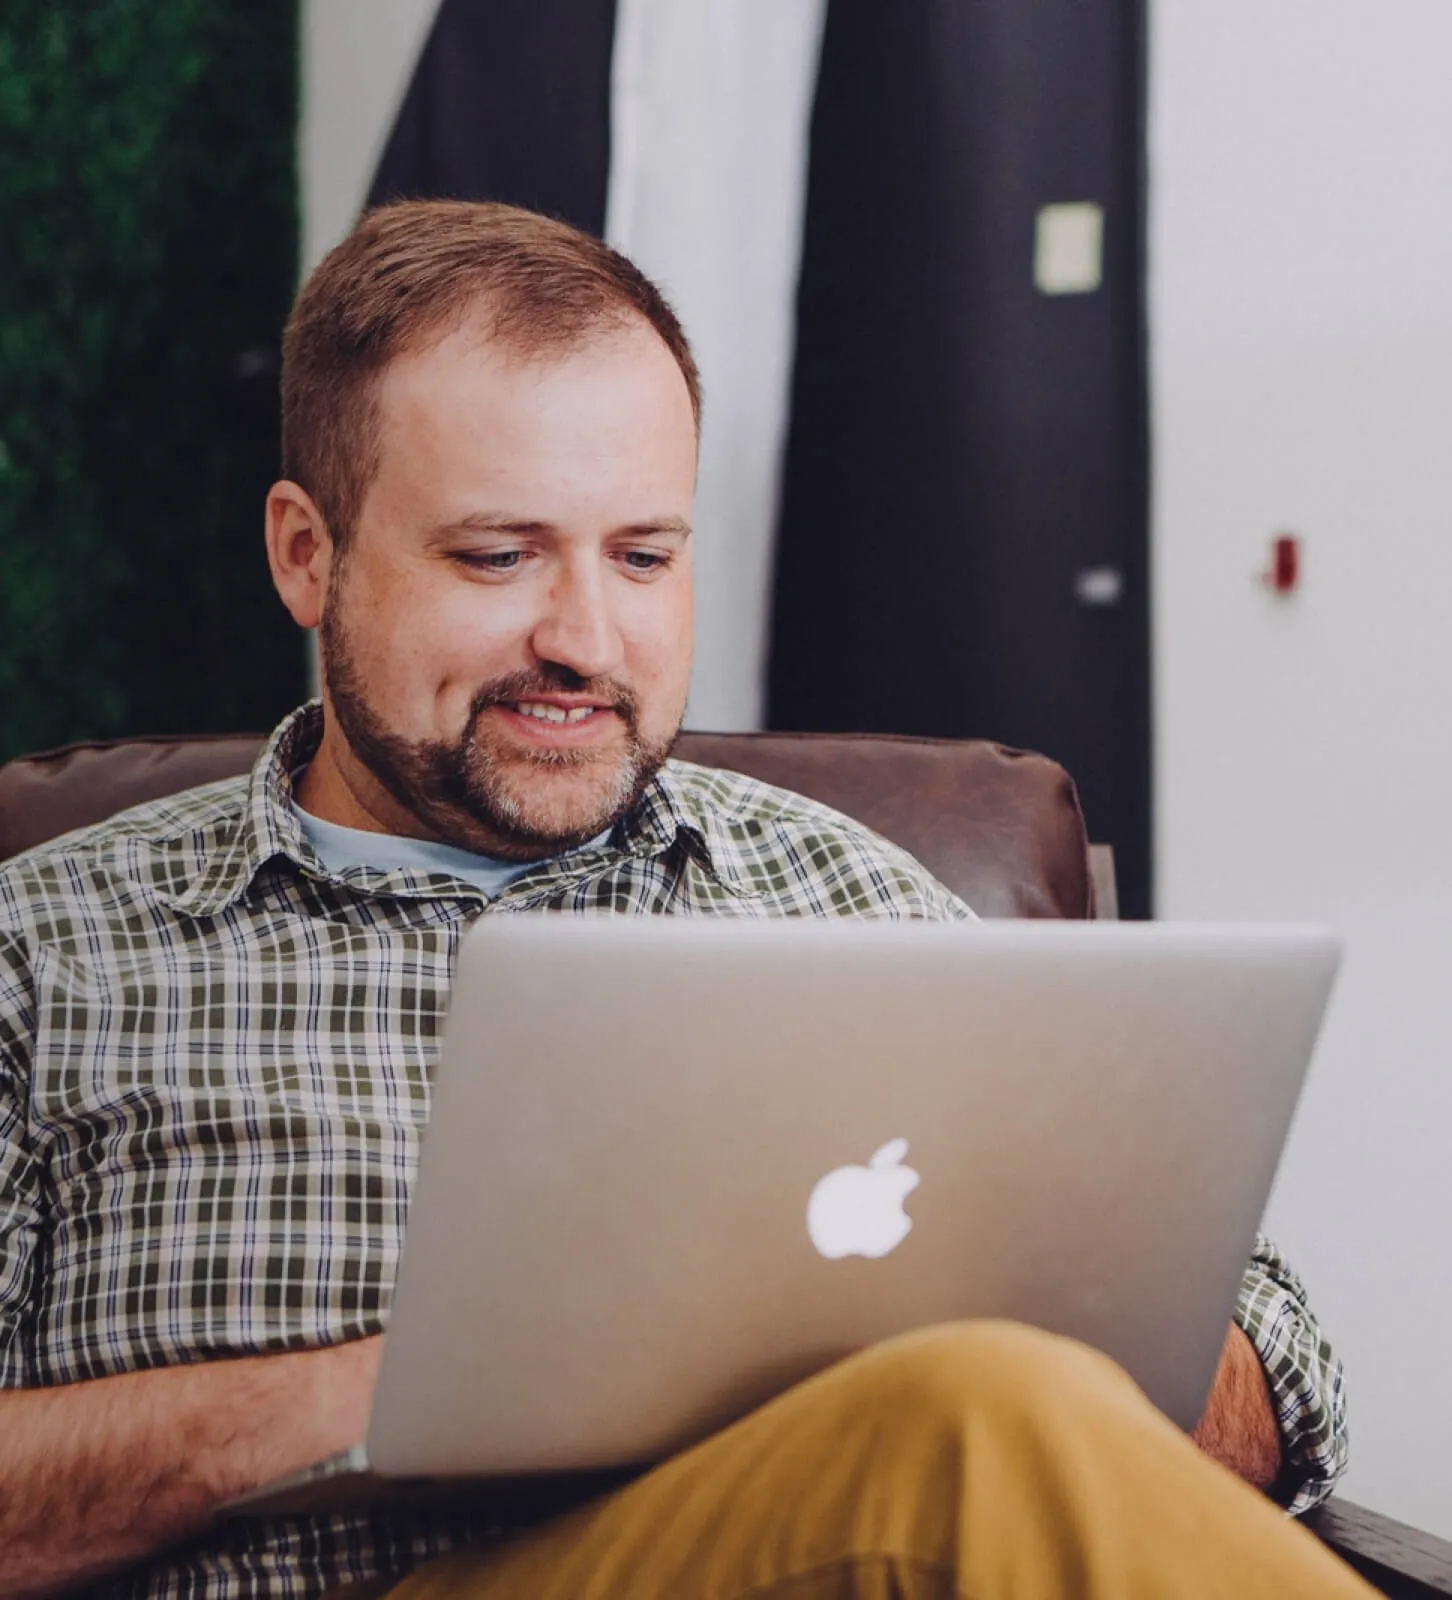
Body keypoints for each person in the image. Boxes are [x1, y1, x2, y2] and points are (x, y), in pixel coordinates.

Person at [0, 201, 1362, 1600]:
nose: (585, 641)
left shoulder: (839, 895)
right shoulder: (47, 952)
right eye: (496, 555)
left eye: (644, 556)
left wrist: (914, 1354)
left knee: (977, 1408)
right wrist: (400, 1389)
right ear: (308, 554)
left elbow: (1276, 1361)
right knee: (970, 1428)